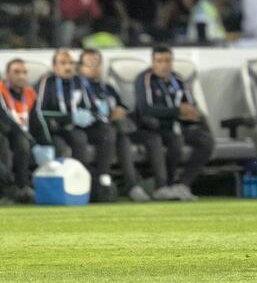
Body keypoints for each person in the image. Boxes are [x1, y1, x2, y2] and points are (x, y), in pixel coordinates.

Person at [134, 45, 215, 201]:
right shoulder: (145, 79)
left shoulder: (178, 79)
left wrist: (192, 113)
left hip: (181, 125)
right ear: (153, 62)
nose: (164, 65)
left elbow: (189, 104)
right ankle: (165, 185)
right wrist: (177, 111)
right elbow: (145, 109)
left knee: (206, 141)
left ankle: (183, 184)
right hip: (157, 127)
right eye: (160, 61)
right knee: (174, 140)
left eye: (168, 61)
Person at [36, 49, 116, 201]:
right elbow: (40, 113)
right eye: (63, 63)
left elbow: (92, 107)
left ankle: (103, 178)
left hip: (80, 125)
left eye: (71, 63)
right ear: (54, 66)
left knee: (106, 131)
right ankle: (82, 183)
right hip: (57, 128)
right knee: (78, 137)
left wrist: (94, 115)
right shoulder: (47, 82)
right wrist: (68, 117)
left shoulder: (80, 82)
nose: (68, 67)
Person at [76, 49, 152, 202]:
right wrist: (108, 115)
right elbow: (77, 112)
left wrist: (120, 110)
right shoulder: (77, 87)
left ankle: (131, 185)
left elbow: (121, 106)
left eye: (97, 63)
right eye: (89, 63)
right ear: (81, 67)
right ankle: (104, 180)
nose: (93, 67)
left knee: (122, 137)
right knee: (110, 132)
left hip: (110, 130)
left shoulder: (108, 88)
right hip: (88, 130)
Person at [0, 59, 53, 203]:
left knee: (52, 145)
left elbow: (37, 121)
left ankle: (23, 188)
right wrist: (30, 140)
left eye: (24, 72)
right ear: (7, 75)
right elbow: (5, 118)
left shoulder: (30, 94)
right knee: (7, 142)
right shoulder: (1, 90)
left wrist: (46, 144)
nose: (21, 76)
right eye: (16, 72)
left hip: (20, 134)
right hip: (6, 132)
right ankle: (9, 189)